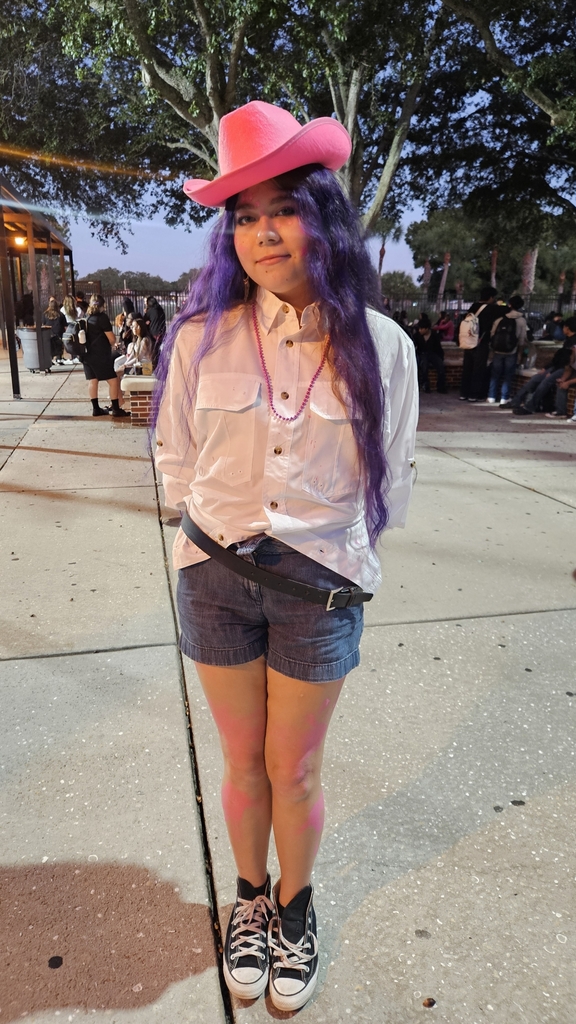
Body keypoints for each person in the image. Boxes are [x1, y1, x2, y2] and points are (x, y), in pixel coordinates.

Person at [154, 100, 418, 1012]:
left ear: (323, 215)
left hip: (319, 587)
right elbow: (173, 458)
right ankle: (250, 900)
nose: (264, 231)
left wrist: (336, 558)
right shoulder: (198, 338)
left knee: (295, 767)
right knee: (241, 762)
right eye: (245, 213)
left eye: (284, 206)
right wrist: (202, 537)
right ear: (231, 232)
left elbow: (397, 478)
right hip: (217, 578)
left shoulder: (382, 348)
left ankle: (296, 910)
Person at [511, 319, 576, 415]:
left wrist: (552, 371)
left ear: (567, 328)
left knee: (545, 382)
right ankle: (516, 401)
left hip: (564, 369)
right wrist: (546, 368)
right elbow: (558, 358)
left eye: (564, 327)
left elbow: (567, 362)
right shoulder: (567, 341)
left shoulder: (573, 342)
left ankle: (530, 407)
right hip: (557, 367)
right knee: (535, 379)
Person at [83, 294, 130, 417]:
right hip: (100, 355)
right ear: (103, 305)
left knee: (93, 380)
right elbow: (111, 339)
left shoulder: (86, 317)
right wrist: (114, 343)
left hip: (86, 355)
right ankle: (116, 409)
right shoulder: (102, 318)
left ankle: (95, 409)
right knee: (113, 381)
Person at [459, 286, 501, 401]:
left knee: (467, 368)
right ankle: (474, 394)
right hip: (481, 342)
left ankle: (464, 393)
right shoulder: (491, 309)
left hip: (469, 341)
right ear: (491, 297)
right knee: (478, 369)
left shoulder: (473, 307)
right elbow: (506, 310)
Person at [486, 295, 527, 406]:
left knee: (495, 374)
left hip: (498, 350)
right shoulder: (521, 320)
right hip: (512, 351)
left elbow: (492, 334)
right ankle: (505, 398)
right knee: (508, 375)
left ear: (510, 304)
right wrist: (520, 352)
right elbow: (522, 339)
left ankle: (491, 396)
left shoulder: (500, 319)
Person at [545, 317, 576, 418]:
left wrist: (568, 382)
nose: (571, 350)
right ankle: (560, 411)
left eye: (573, 349)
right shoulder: (572, 358)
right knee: (560, 385)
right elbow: (569, 368)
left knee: (564, 384)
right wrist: (563, 379)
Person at [415, 315, 447, 392]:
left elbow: (438, 348)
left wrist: (440, 358)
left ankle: (441, 386)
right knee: (424, 366)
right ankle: (425, 385)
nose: (420, 330)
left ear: (427, 328)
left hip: (433, 354)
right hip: (422, 354)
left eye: (422, 329)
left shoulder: (434, 335)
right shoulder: (417, 336)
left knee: (440, 366)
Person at [43, 296, 66, 364]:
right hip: (58, 332)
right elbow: (64, 325)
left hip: (49, 332)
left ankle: (51, 358)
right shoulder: (60, 314)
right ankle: (59, 358)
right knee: (59, 345)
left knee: (50, 346)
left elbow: (43, 323)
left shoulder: (45, 314)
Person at [60, 294, 79, 363]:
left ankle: (70, 357)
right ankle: (75, 356)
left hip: (66, 326)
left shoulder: (62, 309)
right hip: (74, 326)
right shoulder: (76, 309)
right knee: (74, 341)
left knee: (67, 342)